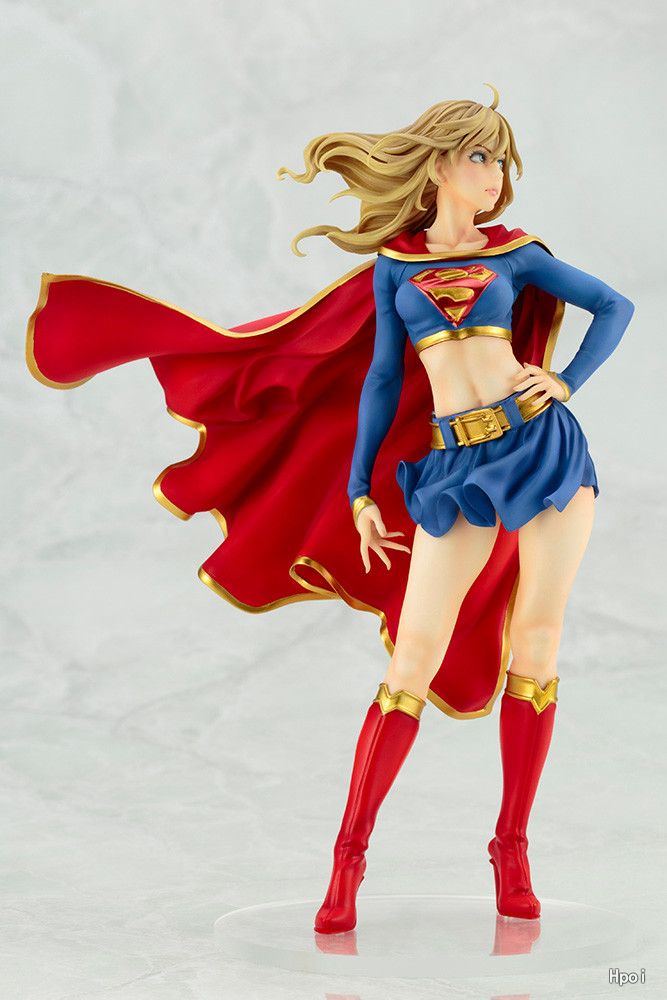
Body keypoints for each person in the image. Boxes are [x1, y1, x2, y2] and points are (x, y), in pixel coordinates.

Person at [25, 84, 634, 935]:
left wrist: (565, 380)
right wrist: (356, 490)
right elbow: (382, 379)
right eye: (479, 156)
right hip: (454, 465)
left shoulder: (517, 254)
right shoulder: (396, 266)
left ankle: (511, 848)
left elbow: (614, 305)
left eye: (500, 159)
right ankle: (348, 861)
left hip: (544, 451)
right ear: (438, 164)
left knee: (534, 639)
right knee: (412, 656)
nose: (494, 174)